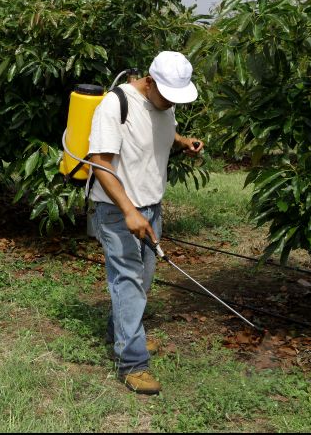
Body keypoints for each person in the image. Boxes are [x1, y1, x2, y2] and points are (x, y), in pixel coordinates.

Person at [88, 51, 203, 395]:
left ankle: (121, 332)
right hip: (117, 209)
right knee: (128, 280)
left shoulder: (164, 105)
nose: (171, 102)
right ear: (149, 82)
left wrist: (185, 143)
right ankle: (132, 361)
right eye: (167, 95)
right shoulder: (115, 104)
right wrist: (129, 211)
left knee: (143, 279)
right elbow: (100, 163)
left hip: (151, 206)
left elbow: (163, 136)